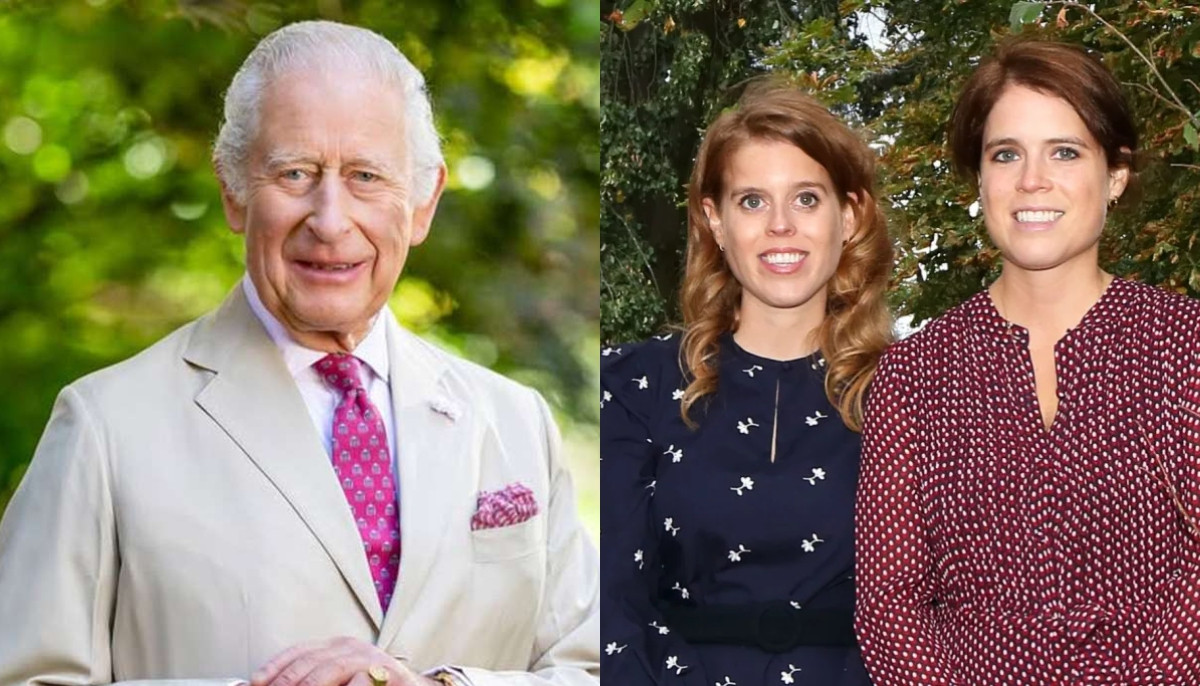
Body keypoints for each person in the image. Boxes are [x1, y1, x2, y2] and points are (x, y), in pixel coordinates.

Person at [0, 20, 599, 686]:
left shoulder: (519, 422)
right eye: (295, 173)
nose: (331, 219)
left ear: (424, 203)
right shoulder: (103, 426)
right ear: (233, 191)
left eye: (367, 176)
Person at [856, 38, 1200, 684]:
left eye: (1064, 152)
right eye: (1005, 154)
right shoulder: (913, 377)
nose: (1031, 181)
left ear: (1115, 175)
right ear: (981, 179)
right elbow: (888, 603)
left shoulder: (1185, 347)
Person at [600, 80, 893, 684]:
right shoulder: (635, 386)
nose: (780, 225)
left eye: (807, 199)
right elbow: (611, 606)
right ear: (715, 220)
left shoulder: (913, 392)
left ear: (849, 214)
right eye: (753, 201)